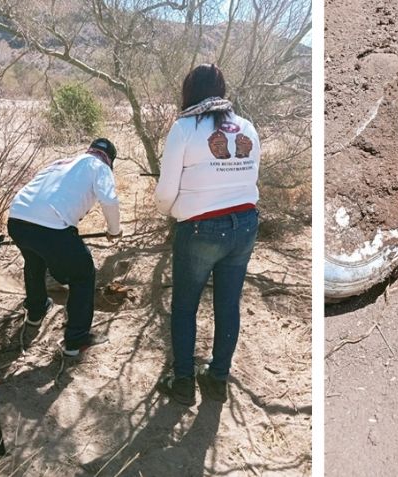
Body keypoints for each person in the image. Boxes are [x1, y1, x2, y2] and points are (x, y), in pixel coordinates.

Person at [154, 64, 261, 405]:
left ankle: (183, 381)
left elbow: (167, 189)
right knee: (228, 305)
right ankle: (217, 379)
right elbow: (250, 178)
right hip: (245, 224)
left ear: (190, 91)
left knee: (185, 306)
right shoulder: (247, 127)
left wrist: (171, 211)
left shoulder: (185, 127)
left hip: (200, 227)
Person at [7, 138, 123, 357]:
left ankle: (36, 310)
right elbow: (109, 200)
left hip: (17, 219)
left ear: (89, 150)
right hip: (51, 227)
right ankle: (76, 340)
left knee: (35, 262)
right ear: (109, 159)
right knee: (83, 273)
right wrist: (114, 230)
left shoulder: (61, 162)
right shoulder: (100, 166)